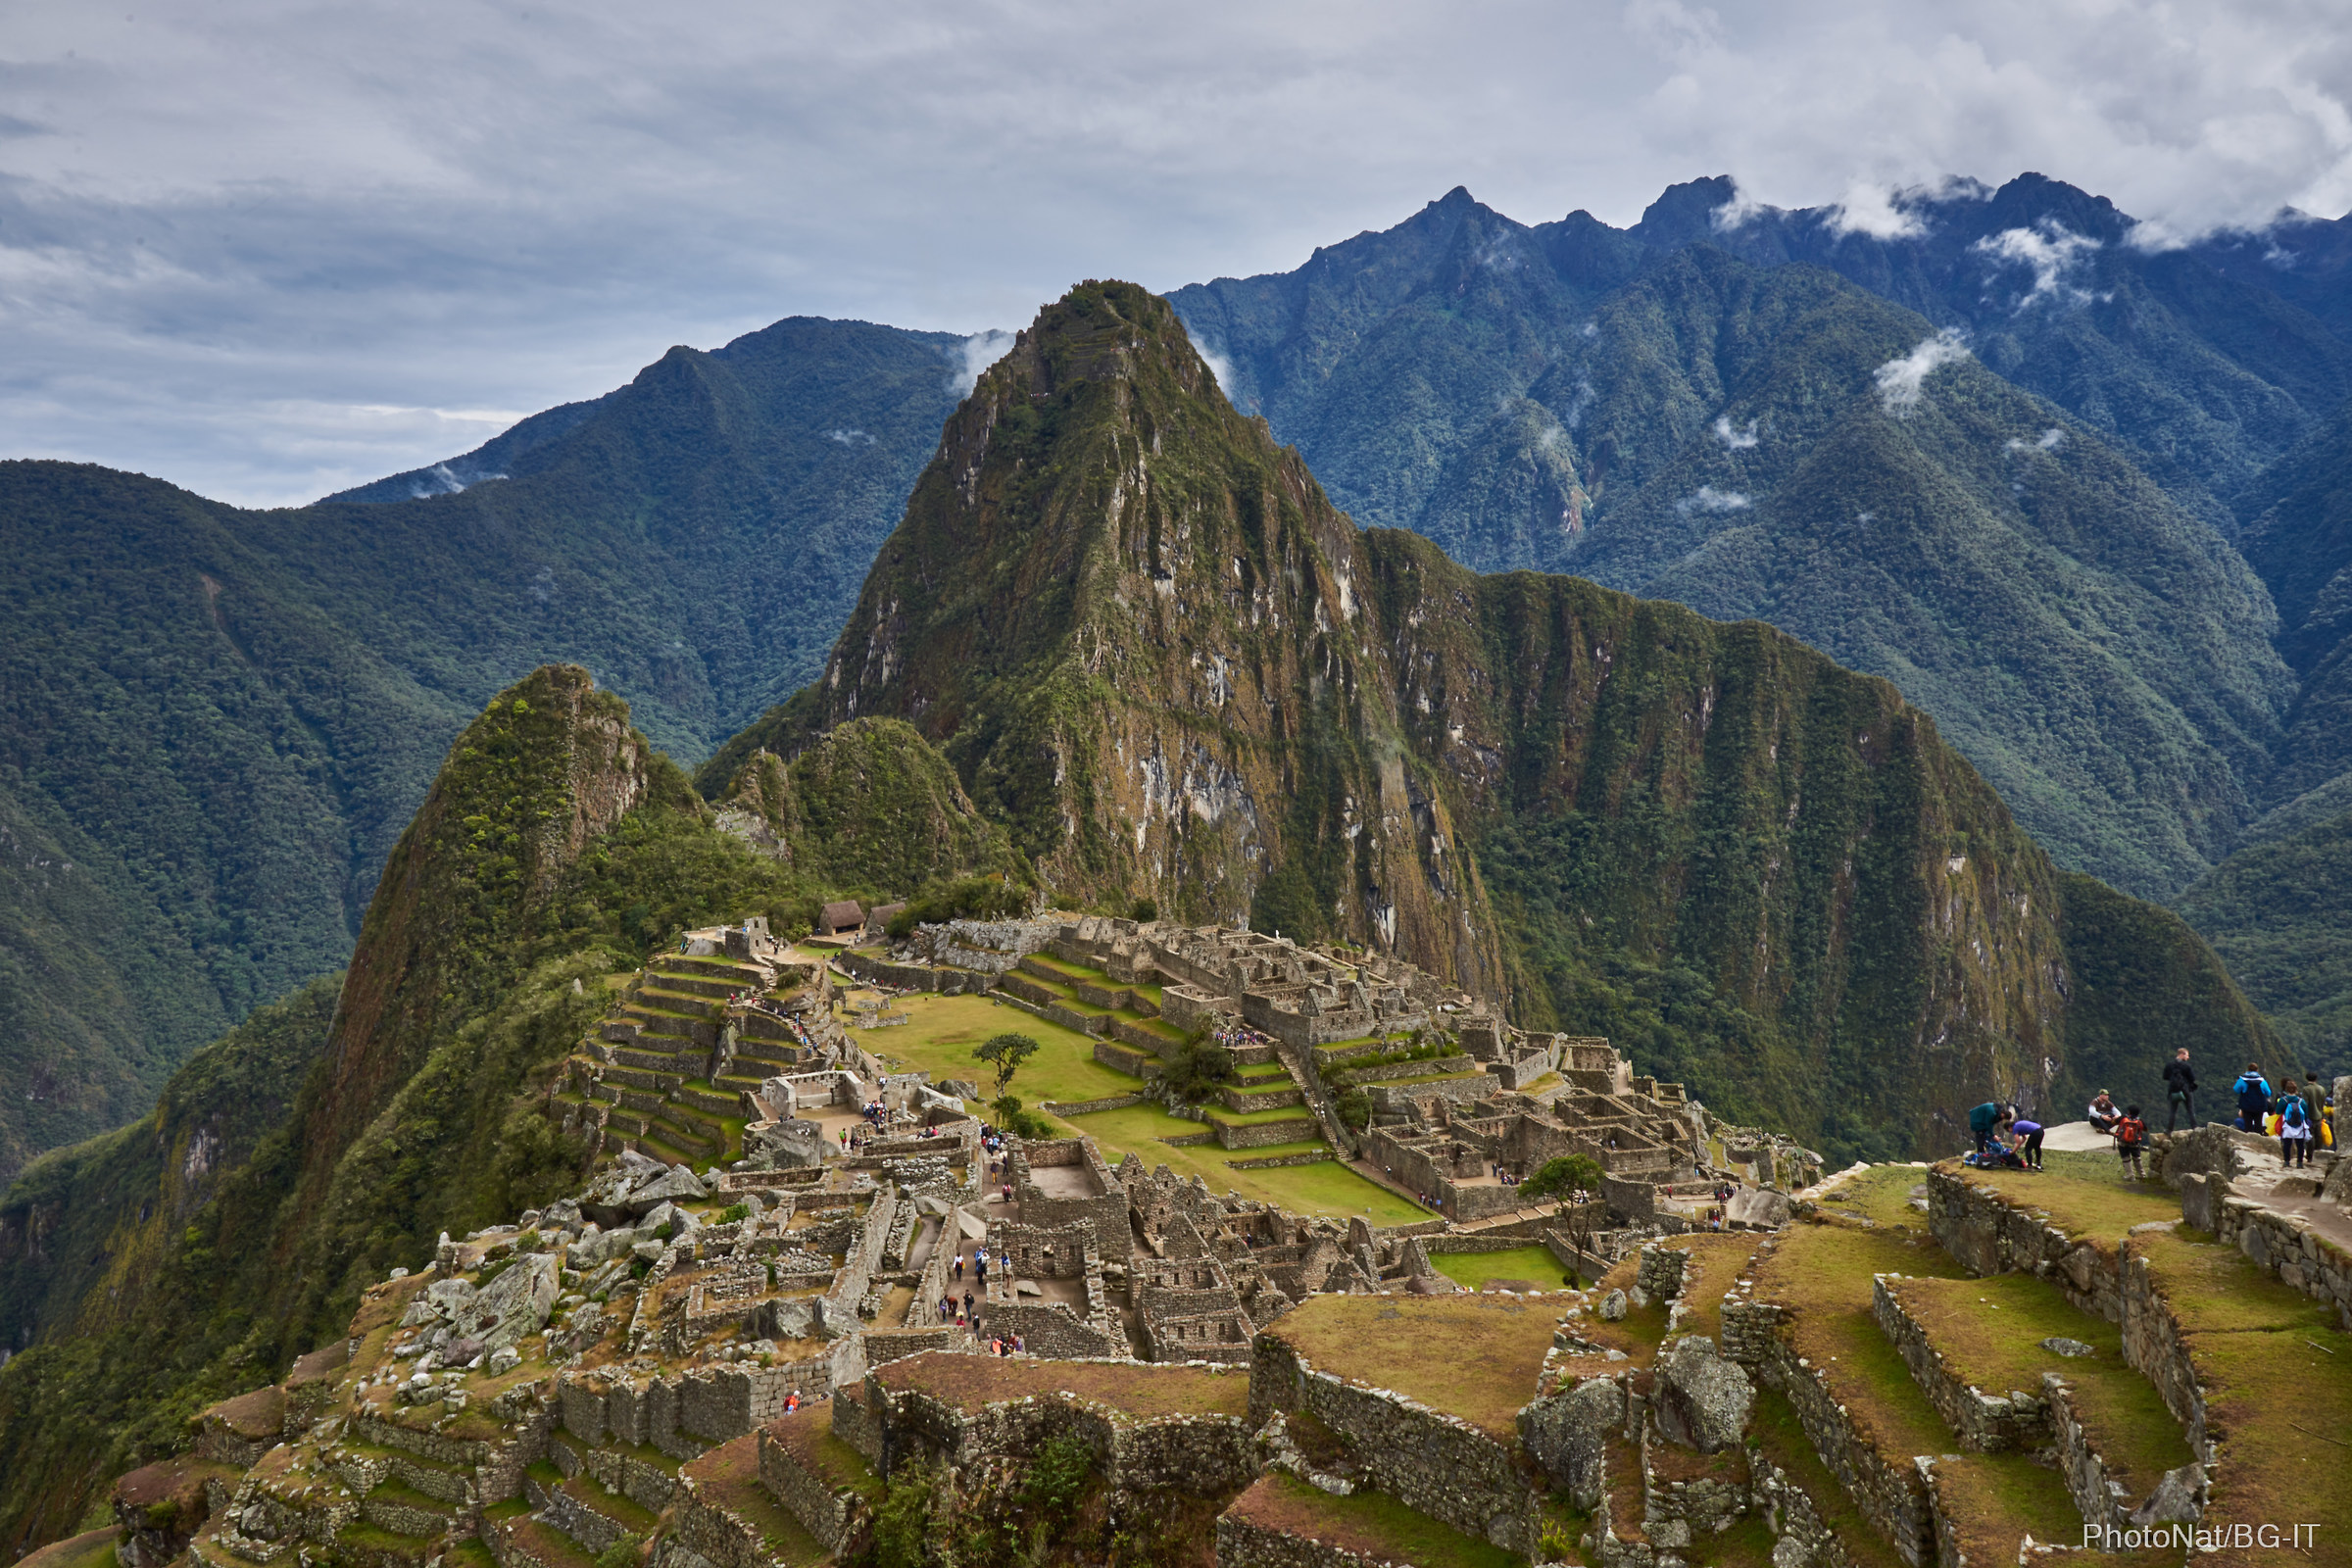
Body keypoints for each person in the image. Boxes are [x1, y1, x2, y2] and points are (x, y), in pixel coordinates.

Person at [2278, 1078, 2315, 1168]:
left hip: (2287, 1125)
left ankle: (2287, 1162)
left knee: (2287, 1144)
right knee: (2300, 1145)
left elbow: (2278, 1111)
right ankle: (2299, 1163)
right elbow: (2306, 1114)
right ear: (2296, 1090)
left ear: (2286, 1089)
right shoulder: (2301, 1101)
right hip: (2299, 1126)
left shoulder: (2283, 1100)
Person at [2163, 1049, 2197, 1133]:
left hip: (2173, 1090)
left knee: (2173, 1111)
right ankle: (2195, 1127)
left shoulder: (2169, 1065)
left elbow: (2165, 1076)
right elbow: (2192, 1078)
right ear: (2182, 1054)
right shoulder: (2186, 1066)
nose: (2188, 1057)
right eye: (2187, 1055)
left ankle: (2169, 1129)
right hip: (2185, 1089)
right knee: (2190, 1109)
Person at [2233, 1063, 2273, 1132]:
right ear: (2257, 1070)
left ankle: (2248, 1140)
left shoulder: (2242, 1080)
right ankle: (2258, 1139)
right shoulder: (2262, 1081)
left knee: (2248, 1125)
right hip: (2260, 1106)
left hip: (2246, 1106)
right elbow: (2268, 1093)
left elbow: (2236, 1089)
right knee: (2258, 1125)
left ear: (2248, 1069)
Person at [2114, 1104, 2148, 1179]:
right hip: (2134, 1143)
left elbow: (2114, 1122)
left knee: (2125, 1158)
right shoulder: (2140, 1121)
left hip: (2122, 1142)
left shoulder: (2123, 1118)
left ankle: (2130, 1175)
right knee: (2137, 1158)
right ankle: (2142, 1174)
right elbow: (2145, 1129)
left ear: (2129, 1112)